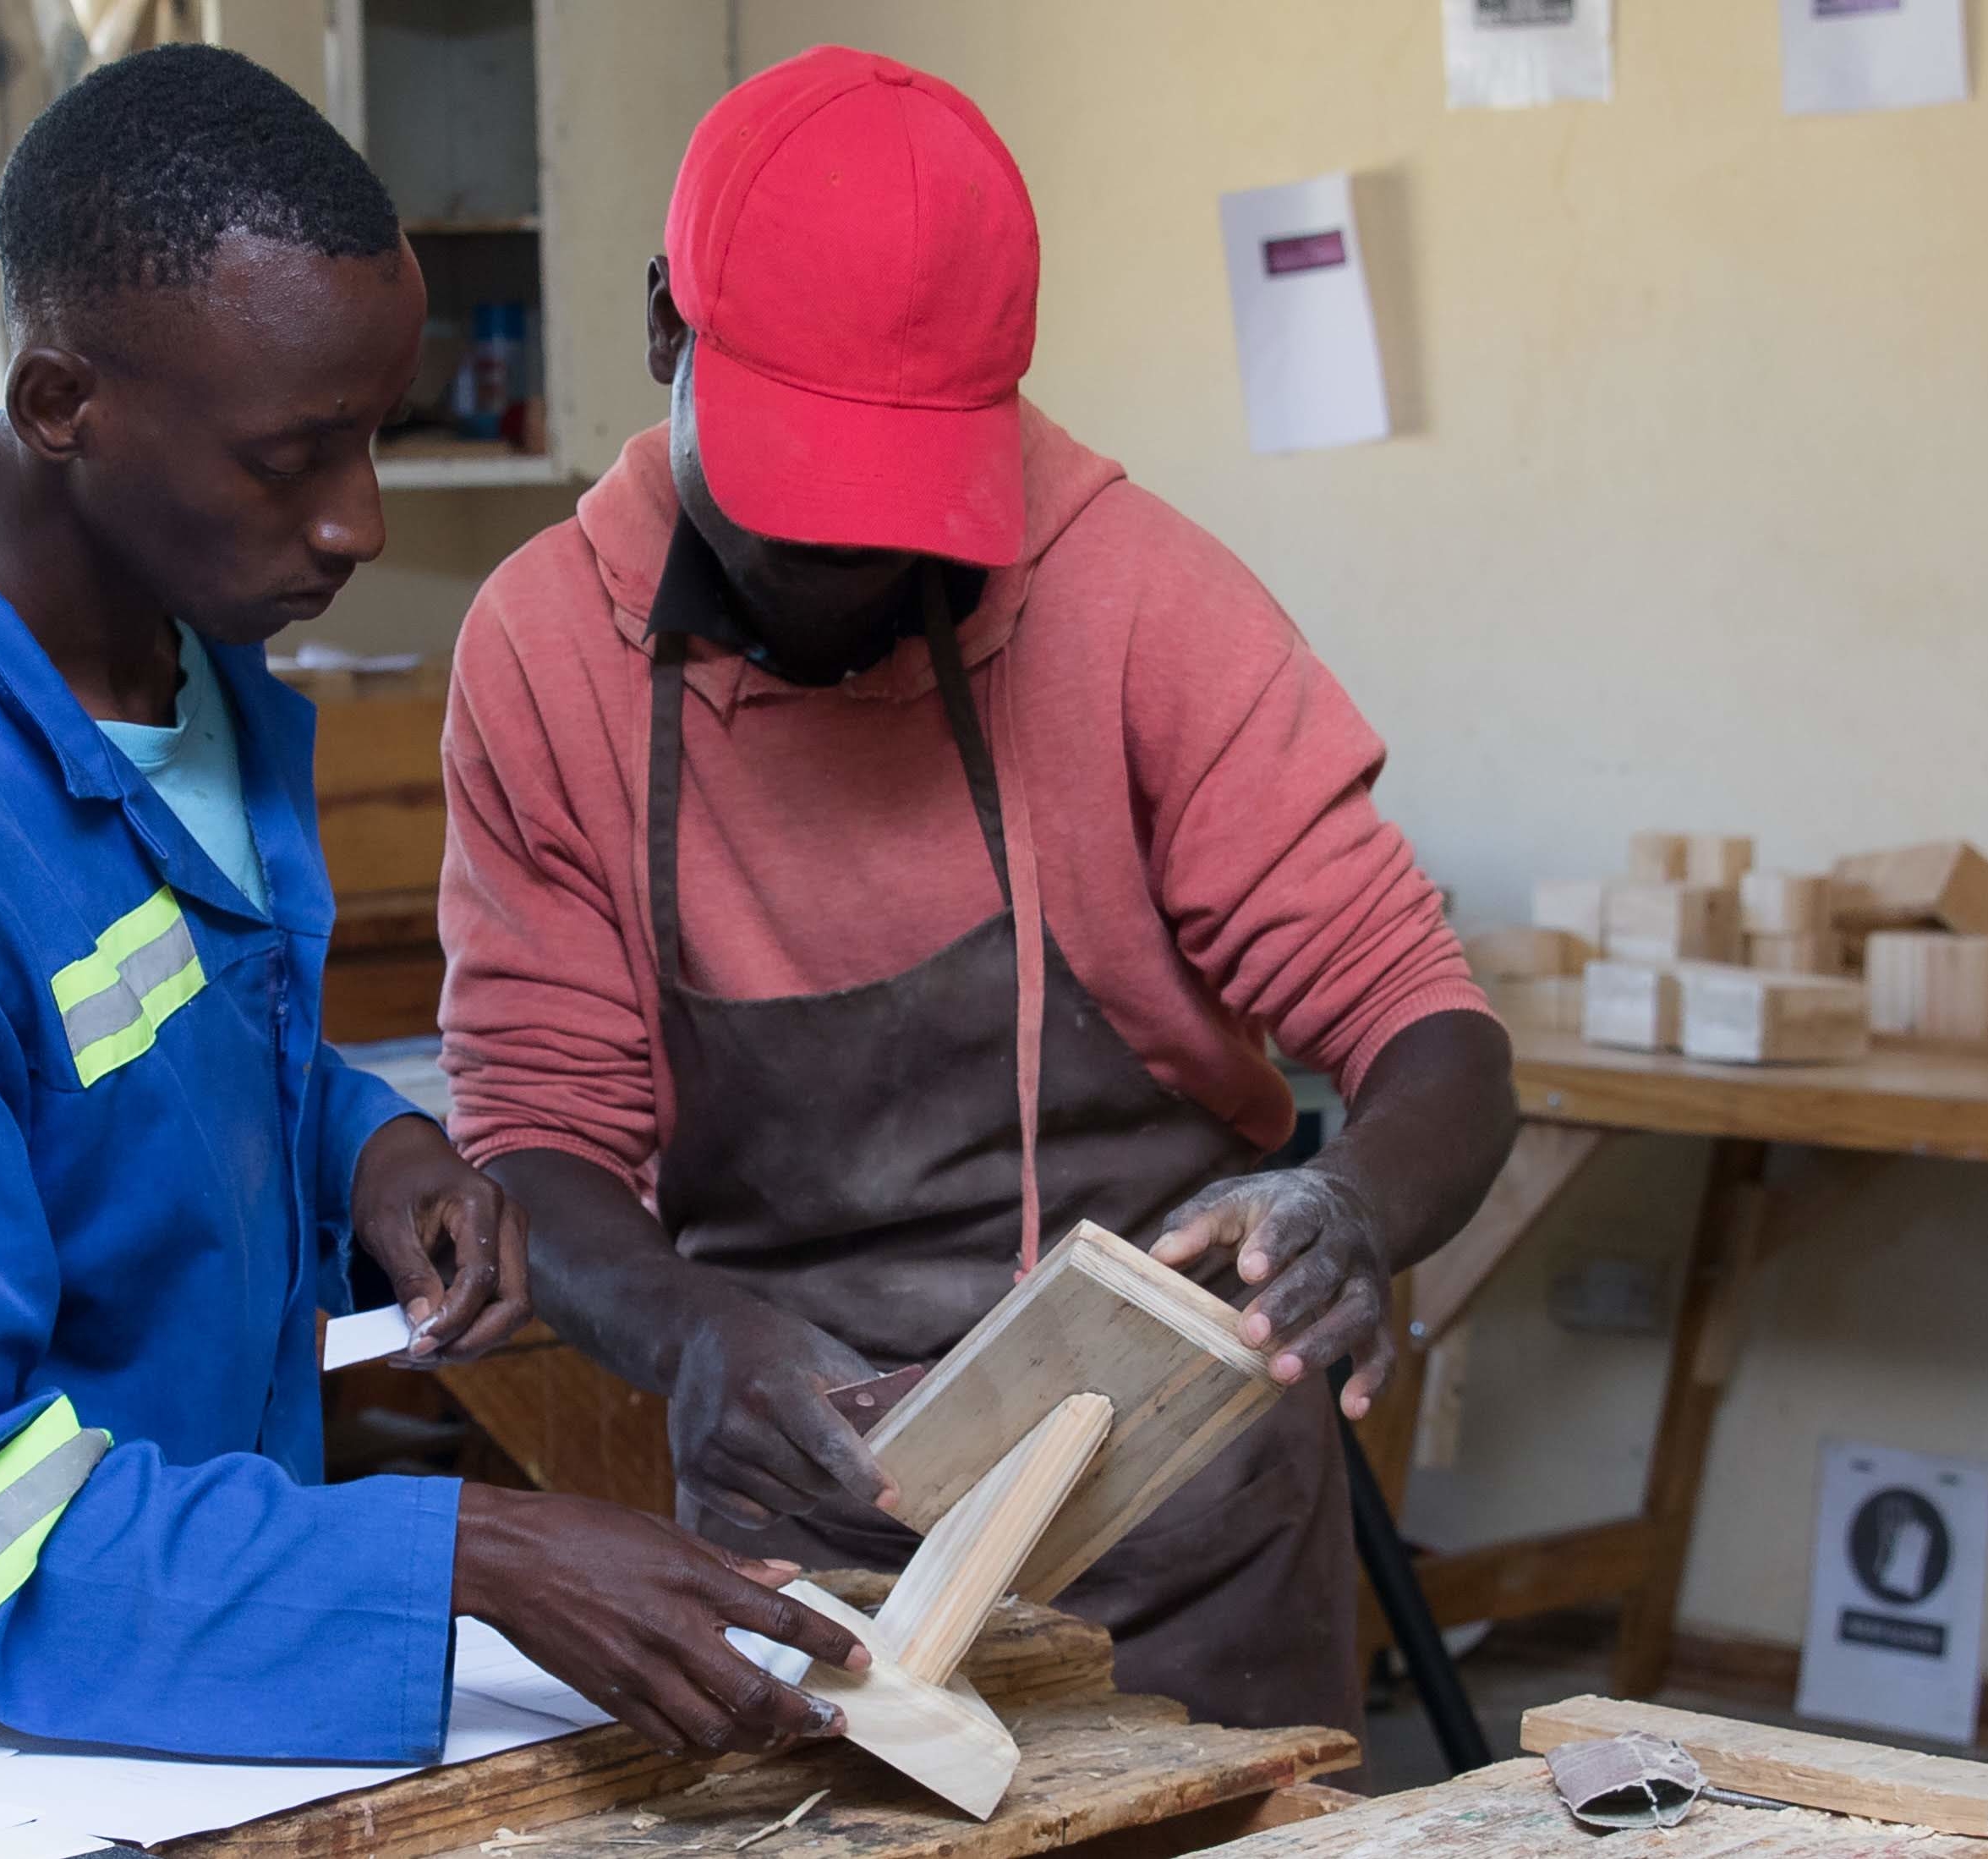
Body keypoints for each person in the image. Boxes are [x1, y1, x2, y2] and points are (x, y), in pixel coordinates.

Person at [0, 46, 863, 1762]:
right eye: (294, 456)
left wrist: (370, 1152)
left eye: (375, 429)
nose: (356, 518)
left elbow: (146, 1065)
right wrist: (469, 1555)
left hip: (151, 1675)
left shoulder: (178, 654)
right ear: (64, 406)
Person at [437, 47, 1519, 1734]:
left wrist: (1357, 1205)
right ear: (669, 329)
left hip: (1181, 1543)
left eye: (905, 508)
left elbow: (1433, 1033)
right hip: (807, 1553)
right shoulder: (540, 654)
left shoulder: (1139, 604)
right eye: (803, 507)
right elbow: (534, 1134)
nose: (855, 571)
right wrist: (694, 1336)